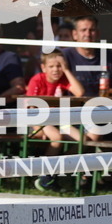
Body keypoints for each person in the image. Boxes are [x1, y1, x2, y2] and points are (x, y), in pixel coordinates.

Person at [25, 50, 85, 191]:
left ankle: (57, 167)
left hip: (58, 121)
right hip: (39, 120)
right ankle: (45, 175)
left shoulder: (63, 79)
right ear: (43, 68)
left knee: (82, 139)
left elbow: (80, 92)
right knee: (56, 137)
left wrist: (67, 70)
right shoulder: (37, 79)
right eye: (51, 66)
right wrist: (36, 128)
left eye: (59, 66)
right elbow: (30, 109)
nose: (56, 70)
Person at [59, 15, 112, 95]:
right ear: (75, 34)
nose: (88, 34)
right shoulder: (64, 55)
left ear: (98, 33)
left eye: (92, 30)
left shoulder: (107, 55)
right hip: (73, 106)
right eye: (83, 30)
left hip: (103, 105)